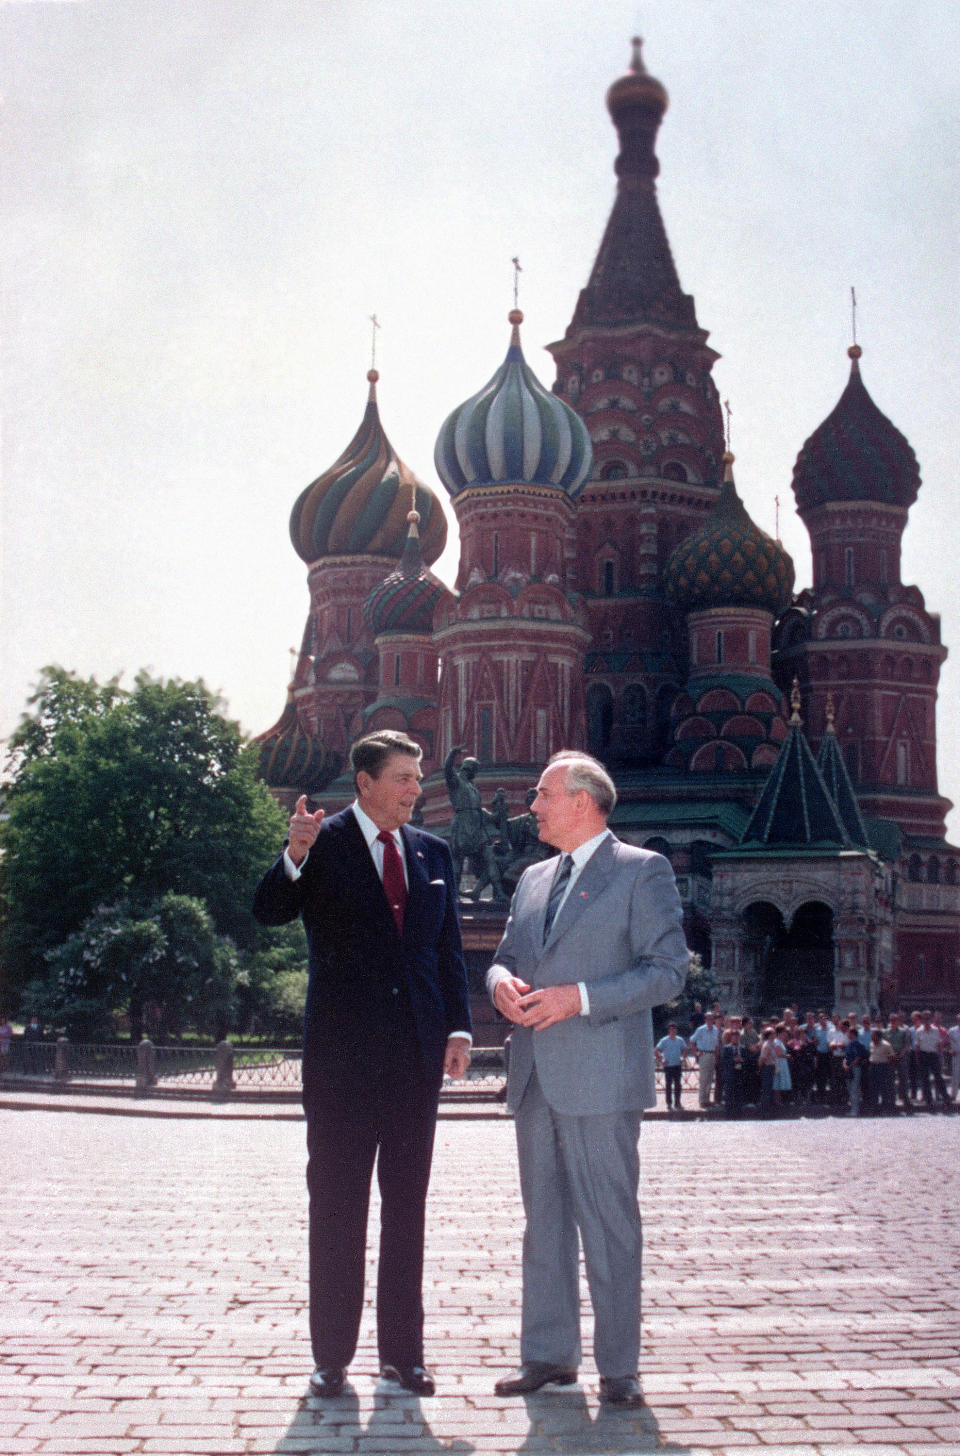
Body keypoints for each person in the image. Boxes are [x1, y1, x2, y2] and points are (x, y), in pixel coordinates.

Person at [253, 730, 472, 1399]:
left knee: (407, 1209)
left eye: (417, 776)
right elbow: (268, 911)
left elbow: (447, 949)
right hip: (342, 1067)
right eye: (403, 777)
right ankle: (332, 1359)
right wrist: (292, 852)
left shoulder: (434, 851)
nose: (415, 788)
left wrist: (458, 1027)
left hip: (415, 1059)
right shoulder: (323, 843)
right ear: (365, 782)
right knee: (339, 1210)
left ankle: (402, 1356)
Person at [486, 750, 688, 1409]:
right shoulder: (532, 879)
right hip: (534, 1077)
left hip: (601, 1075)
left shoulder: (642, 871)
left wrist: (582, 998)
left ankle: (619, 1370)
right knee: (542, 1222)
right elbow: (507, 957)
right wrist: (498, 986)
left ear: (582, 801)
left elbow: (667, 973)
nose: (532, 807)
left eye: (543, 795)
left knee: (608, 1222)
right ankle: (547, 1357)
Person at [689, 1010, 721, 1110]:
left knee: (710, 1078)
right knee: (704, 1078)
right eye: (708, 1018)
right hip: (704, 1054)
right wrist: (696, 1053)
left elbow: (716, 1045)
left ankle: (707, 1099)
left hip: (712, 1055)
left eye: (712, 1018)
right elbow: (692, 1041)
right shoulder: (700, 1029)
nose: (710, 1020)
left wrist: (716, 1057)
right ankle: (702, 1100)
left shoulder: (716, 1030)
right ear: (705, 1019)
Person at [655, 1022, 687, 1110]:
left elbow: (685, 1049)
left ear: (676, 1030)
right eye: (671, 1029)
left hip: (677, 1065)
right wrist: (661, 1060)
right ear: (669, 1030)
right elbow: (656, 1050)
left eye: (674, 1029)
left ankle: (677, 1103)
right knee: (668, 1085)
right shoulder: (664, 1040)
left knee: (678, 1085)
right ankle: (669, 1103)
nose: (673, 1031)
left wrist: (683, 1057)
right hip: (668, 1066)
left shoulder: (680, 1040)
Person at [948, 1011, 960, 1103]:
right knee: (956, 1076)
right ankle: (953, 1095)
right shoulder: (952, 1031)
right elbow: (946, 1043)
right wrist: (950, 1050)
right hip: (956, 1055)